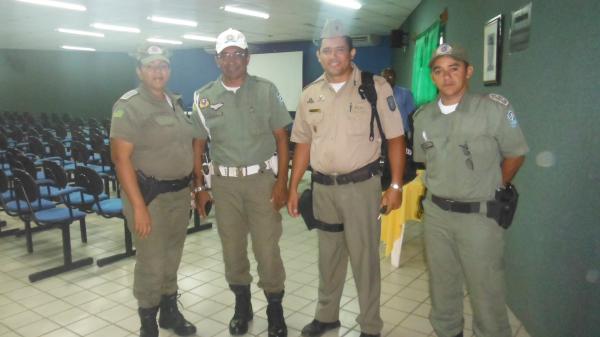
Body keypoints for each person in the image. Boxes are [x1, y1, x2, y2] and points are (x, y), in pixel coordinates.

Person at [287, 19, 406, 337]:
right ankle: (326, 316)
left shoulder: (375, 86)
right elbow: (302, 143)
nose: (333, 56)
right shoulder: (309, 94)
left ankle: (370, 325)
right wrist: (293, 187)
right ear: (319, 55)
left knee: (364, 259)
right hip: (324, 188)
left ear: (351, 53)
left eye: (340, 49)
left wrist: (395, 185)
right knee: (328, 257)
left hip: (361, 187)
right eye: (327, 50)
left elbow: (396, 138)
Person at [412, 43, 529, 337]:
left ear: (468, 71)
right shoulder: (422, 117)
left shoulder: (493, 109)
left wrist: (495, 185)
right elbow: (427, 162)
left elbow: (515, 153)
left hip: (480, 216)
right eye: (439, 71)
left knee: (486, 291)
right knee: (442, 288)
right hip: (437, 215)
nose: (446, 76)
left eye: (454, 68)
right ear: (432, 77)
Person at [191, 28, 291, 337]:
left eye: (237, 54)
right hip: (224, 185)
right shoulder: (204, 97)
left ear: (247, 57)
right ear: (217, 60)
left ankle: (275, 309)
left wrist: (282, 182)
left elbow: (282, 137)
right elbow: (197, 143)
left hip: (261, 181)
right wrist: (199, 187)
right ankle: (242, 305)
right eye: (225, 55)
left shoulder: (266, 90)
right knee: (232, 249)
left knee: (266, 249)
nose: (231, 60)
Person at [110, 45, 204, 337]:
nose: (158, 71)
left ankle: (169, 312)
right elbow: (120, 159)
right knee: (151, 260)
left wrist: (196, 186)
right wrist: (138, 207)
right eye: (151, 66)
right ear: (139, 71)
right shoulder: (129, 105)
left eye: (163, 65)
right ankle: (148, 322)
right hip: (149, 198)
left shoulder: (173, 102)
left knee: (172, 255)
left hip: (178, 194)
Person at [380, 67, 415, 134]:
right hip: (383, 135)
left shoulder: (405, 93)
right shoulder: (377, 95)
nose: (387, 79)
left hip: (401, 133)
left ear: (395, 78)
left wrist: (412, 135)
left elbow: (411, 116)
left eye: (390, 76)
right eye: (384, 77)